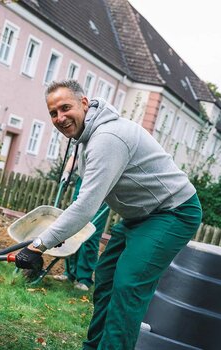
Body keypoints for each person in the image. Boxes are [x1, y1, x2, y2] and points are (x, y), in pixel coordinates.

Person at [15, 80, 202, 349]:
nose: (60, 118)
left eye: (65, 108)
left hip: (172, 212)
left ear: (84, 103)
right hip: (140, 216)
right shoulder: (88, 136)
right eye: (53, 113)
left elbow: (86, 206)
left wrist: (39, 244)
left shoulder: (107, 138)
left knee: (128, 285)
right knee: (106, 276)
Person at [54, 153, 110, 292]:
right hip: (84, 181)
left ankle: (84, 278)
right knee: (73, 228)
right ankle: (69, 273)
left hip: (104, 185)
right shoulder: (87, 135)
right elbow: (76, 155)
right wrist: (67, 172)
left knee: (91, 233)